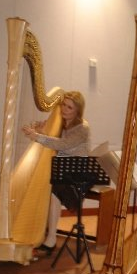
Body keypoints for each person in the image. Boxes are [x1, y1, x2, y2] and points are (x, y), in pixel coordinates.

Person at [22, 90, 91, 255]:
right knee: (52, 187)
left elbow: (63, 145)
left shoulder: (83, 128)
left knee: (54, 189)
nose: (64, 109)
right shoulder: (61, 123)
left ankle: (51, 238)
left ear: (77, 111)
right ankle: (49, 235)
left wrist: (38, 136)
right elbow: (51, 139)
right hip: (63, 172)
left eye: (69, 107)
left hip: (77, 174)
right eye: (63, 105)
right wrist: (36, 128)